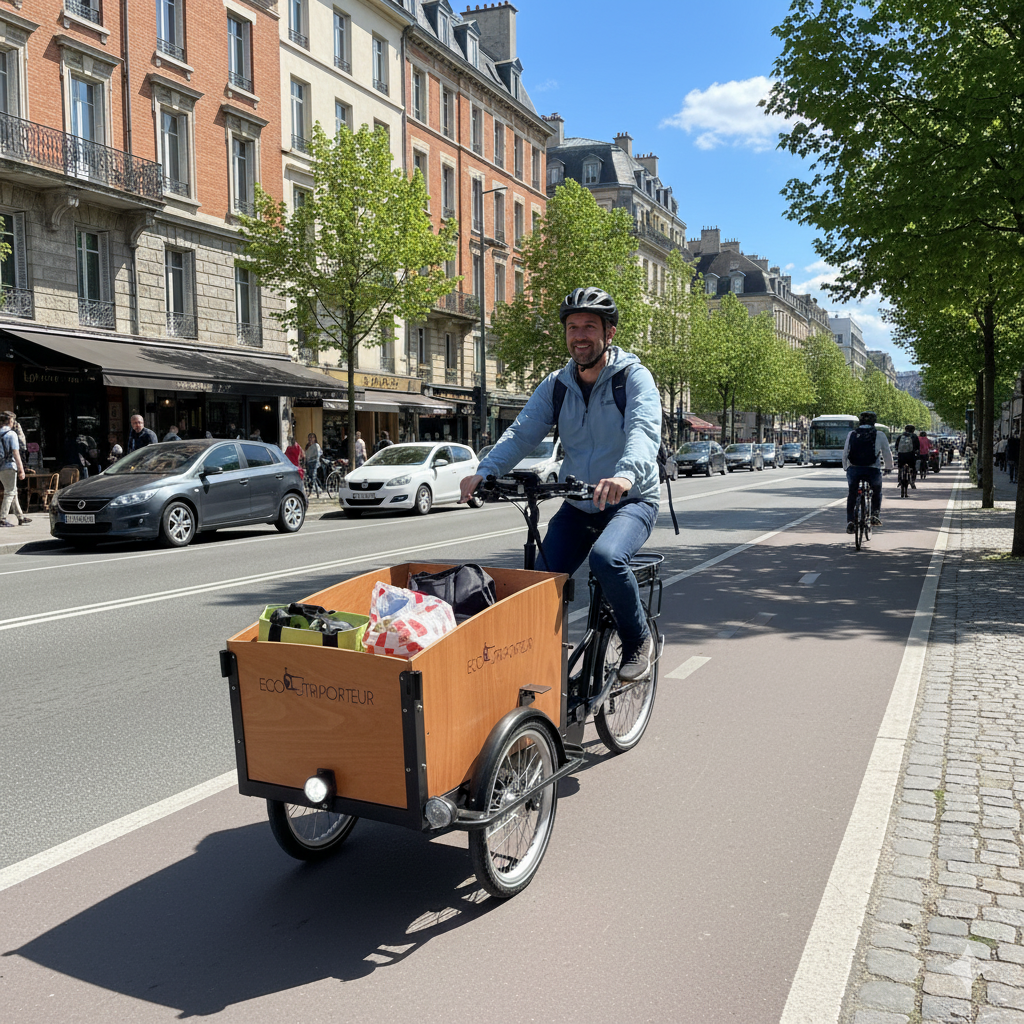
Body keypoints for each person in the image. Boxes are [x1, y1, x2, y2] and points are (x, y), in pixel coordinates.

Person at [459, 286, 662, 682]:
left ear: (609, 333)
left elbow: (643, 429)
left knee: (607, 557)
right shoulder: (557, 384)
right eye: (572, 327)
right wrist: (486, 470)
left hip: (631, 500)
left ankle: (637, 639)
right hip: (580, 503)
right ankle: (540, 665)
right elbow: (522, 433)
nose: (579, 336)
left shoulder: (632, 378)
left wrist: (625, 475)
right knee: (539, 582)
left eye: (589, 326)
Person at [843, 411, 894, 531]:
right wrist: (889, 467)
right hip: (872, 469)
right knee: (877, 491)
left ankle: (850, 521)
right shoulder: (879, 434)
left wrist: (846, 467)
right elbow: (886, 452)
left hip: (854, 468)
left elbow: (845, 452)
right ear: (874, 422)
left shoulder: (852, 434)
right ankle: (875, 515)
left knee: (852, 493)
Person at [0, 411, 28, 527]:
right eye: (13, 420)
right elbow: (16, 453)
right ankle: (2, 518)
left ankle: (20, 517)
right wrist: (21, 469)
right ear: (10, 421)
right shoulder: (11, 434)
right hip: (9, 466)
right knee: (9, 493)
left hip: (0, 467)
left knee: (13, 491)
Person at [894, 424, 920, 490]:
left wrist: (898, 451)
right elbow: (917, 447)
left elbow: (896, 446)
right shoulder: (914, 436)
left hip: (901, 455)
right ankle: (912, 481)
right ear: (913, 430)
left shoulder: (900, 436)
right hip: (911, 455)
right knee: (913, 468)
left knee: (900, 467)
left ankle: (900, 479)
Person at [304, 432, 323, 497]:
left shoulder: (316, 445)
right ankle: (318, 490)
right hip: (308, 463)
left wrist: (316, 463)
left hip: (314, 463)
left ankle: (311, 491)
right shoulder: (307, 446)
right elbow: (306, 454)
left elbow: (318, 455)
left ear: (315, 438)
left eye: (312, 437)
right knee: (310, 477)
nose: (311, 438)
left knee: (313, 477)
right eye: (310, 437)